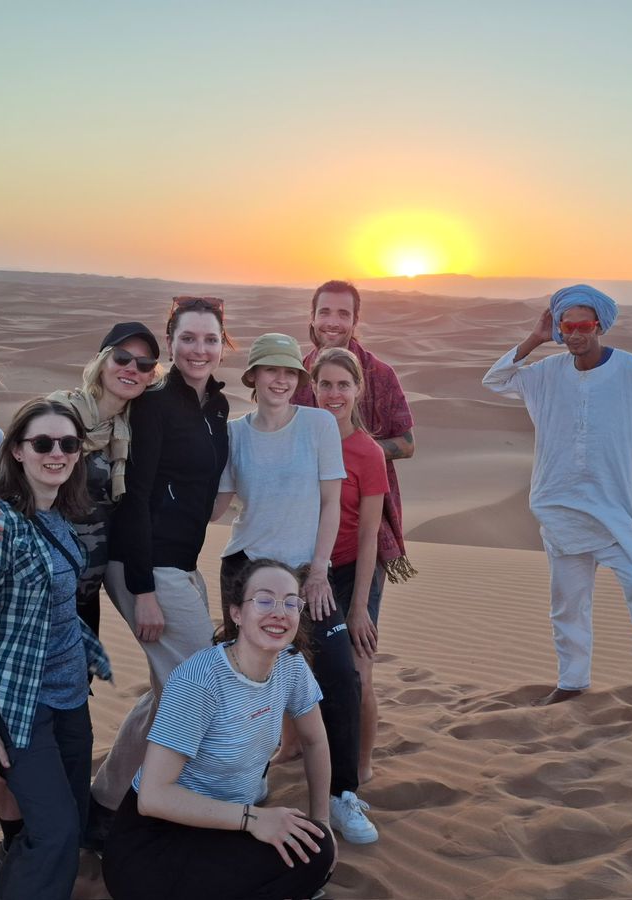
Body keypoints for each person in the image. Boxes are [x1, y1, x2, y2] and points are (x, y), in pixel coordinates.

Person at [0, 321, 160, 859]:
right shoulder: (62, 412)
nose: (132, 370)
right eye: (123, 358)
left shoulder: (132, 426)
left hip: (78, 593)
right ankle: (18, 843)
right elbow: (4, 476)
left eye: (144, 364)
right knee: (16, 719)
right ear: (101, 359)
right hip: (30, 589)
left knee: (66, 712)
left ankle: (59, 828)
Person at [482, 284, 632, 731]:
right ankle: (573, 681)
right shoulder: (547, 372)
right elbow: (496, 380)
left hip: (613, 511)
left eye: (583, 325)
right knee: (566, 605)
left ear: (599, 325)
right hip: (558, 507)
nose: (575, 334)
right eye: (567, 326)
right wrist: (535, 339)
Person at [0, 397, 114, 899]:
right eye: (42, 443)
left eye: (67, 443)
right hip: (19, 704)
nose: (56, 453)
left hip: (68, 696)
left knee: (71, 822)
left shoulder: (60, 515)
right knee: (55, 831)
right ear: (17, 451)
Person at [212, 333, 377, 844]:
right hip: (245, 570)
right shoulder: (234, 433)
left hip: (307, 575)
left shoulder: (318, 425)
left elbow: (331, 505)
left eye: (289, 373)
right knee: (244, 682)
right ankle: (244, 778)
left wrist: (322, 570)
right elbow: (216, 506)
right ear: (253, 378)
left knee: (338, 677)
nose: (281, 380)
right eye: (270, 371)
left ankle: (341, 795)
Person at [102, 559, 336, 900]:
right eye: (265, 600)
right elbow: (153, 797)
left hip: (224, 829)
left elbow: (314, 741)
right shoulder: (200, 682)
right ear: (237, 613)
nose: (279, 612)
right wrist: (254, 820)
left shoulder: (291, 665)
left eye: (290, 602)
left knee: (317, 848)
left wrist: (323, 820)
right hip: (156, 841)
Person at [91, 297, 233, 815]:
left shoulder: (215, 406)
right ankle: (179, 805)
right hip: (144, 564)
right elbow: (135, 496)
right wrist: (143, 590)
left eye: (210, 339)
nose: (200, 349)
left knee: (165, 695)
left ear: (223, 345)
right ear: (170, 342)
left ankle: (105, 801)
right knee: (201, 691)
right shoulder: (153, 405)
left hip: (181, 562)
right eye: (188, 338)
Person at [290, 280, 417, 583]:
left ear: (355, 320)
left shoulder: (381, 375)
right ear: (313, 317)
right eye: (325, 312)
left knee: (359, 624)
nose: (333, 322)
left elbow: (407, 443)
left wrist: (353, 453)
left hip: (365, 529)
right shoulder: (296, 373)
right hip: (301, 527)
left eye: (343, 314)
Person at [310, 347, 388, 784]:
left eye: (343, 384)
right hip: (307, 571)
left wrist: (358, 608)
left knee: (359, 671)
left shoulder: (368, 453)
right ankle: (290, 746)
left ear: (358, 389)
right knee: (294, 663)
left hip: (354, 569)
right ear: (314, 388)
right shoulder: (303, 437)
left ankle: (361, 762)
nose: (334, 393)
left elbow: (368, 534)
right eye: (325, 384)